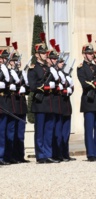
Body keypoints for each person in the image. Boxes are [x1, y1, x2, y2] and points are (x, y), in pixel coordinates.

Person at [28, 33, 60, 164]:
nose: (45, 54)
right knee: (40, 131)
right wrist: (45, 87)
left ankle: (48, 154)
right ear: (37, 55)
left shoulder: (49, 68)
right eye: (42, 53)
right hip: (40, 103)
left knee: (48, 130)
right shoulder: (33, 69)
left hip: (50, 103)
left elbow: (57, 82)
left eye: (45, 52)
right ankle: (40, 155)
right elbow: (32, 86)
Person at [77, 34, 96, 162]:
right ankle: (91, 153)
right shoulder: (81, 68)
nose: (91, 55)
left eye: (92, 53)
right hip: (89, 101)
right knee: (89, 129)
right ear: (84, 54)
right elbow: (84, 83)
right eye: (88, 53)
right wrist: (95, 83)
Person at [10, 42, 30, 163]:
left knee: (20, 132)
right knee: (12, 132)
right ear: (11, 62)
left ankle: (20, 155)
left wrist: (25, 89)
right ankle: (11, 155)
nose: (17, 62)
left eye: (18, 60)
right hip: (13, 104)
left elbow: (28, 88)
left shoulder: (22, 73)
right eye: (15, 60)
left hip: (21, 104)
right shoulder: (9, 73)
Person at [0, 47, 11, 165]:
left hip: (2, 102)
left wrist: (6, 74)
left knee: (2, 132)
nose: (2, 60)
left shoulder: (4, 69)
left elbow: (9, 83)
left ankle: (1, 156)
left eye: (3, 59)